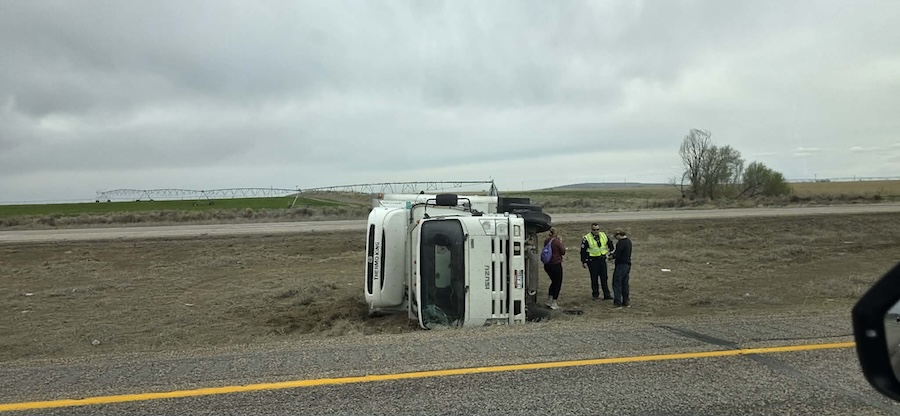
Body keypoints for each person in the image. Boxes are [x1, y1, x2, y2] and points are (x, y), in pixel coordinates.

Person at [580, 223, 614, 300]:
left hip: (602, 259)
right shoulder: (587, 238)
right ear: (591, 229)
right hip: (592, 261)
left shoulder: (603, 235)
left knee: (604, 278)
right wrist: (583, 261)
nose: (596, 231)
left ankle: (606, 294)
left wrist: (611, 253)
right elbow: (583, 250)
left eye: (597, 230)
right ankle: (595, 294)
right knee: (594, 278)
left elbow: (610, 244)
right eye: (594, 230)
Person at [543, 228, 566, 310]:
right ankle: (554, 302)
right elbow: (563, 251)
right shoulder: (556, 242)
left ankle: (549, 300)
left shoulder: (546, 241)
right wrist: (561, 242)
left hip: (547, 265)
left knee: (553, 282)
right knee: (557, 283)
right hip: (555, 264)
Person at [610, 229, 633, 308]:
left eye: (616, 236)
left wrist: (610, 257)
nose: (616, 238)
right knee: (625, 284)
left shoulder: (621, 243)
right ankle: (626, 301)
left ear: (619, 235)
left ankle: (617, 302)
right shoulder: (628, 242)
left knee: (617, 283)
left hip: (620, 265)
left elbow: (617, 254)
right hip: (627, 265)